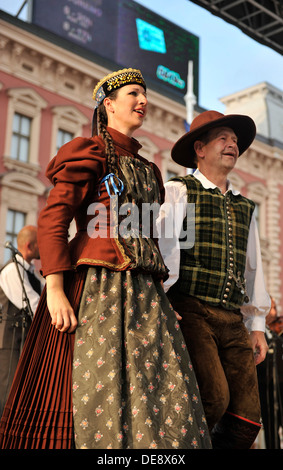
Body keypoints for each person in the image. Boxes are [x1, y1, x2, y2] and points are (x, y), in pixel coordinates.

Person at [0, 68, 211, 450]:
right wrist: (55, 287)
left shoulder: (150, 170)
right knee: (98, 390)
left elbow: (149, 241)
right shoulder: (90, 151)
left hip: (147, 298)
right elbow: (54, 219)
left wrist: (162, 296)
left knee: (162, 394)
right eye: (134, 93)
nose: (143, 101)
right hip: (98, 288)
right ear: (109, 104)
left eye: (145, 94)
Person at [157, 110, 271, 449]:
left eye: (235, 141)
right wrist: (161, 301)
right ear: (200, 149)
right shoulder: (178, 191)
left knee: (249, 417)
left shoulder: (245, 207)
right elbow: (162, 249)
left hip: (232, 318)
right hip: (191, 309)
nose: (232, 144)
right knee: (213, 397)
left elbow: (253, 269)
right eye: (223, 137)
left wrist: (257, 325)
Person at [0, 225, 44, 417]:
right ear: (30, 245)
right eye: (41, 243)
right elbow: (34, 306)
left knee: (22, 396)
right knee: (8, 396)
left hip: (24, 342)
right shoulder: (12, 270)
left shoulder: (30, 272)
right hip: (10, 344)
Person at [257, 298, 283, 448]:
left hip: (278, 385)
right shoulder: (259, 334)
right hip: (264, 386)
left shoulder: (276, 338)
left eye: (274, 308)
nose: (274, 312)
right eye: (270, 307)